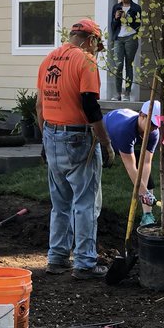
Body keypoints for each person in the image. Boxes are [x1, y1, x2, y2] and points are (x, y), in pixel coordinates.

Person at [36, 19, 115, 280]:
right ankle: (85, 263)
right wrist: (105, 142)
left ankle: (57, 259)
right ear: (91, 40)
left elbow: (39, 105)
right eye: (97, 46)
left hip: (51, 133)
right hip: (78, 138)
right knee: (85, 204)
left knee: (60, 204)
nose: (97, 52)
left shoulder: (49, 59)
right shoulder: (86, 61)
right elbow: (90, 106)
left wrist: (45, 140)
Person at [104, 100, 164, 225]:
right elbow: (130, 167)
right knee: (101, 163)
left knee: (143, 173)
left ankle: (147, 215)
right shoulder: (124, 131)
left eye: (156, 126)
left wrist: (145, 193)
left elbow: (146, 163)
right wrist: (143, 192)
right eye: (152, 124)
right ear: (141, 116)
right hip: (106, 130)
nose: (154, 128)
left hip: (127, 126)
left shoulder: (154, 133)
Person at [109, 0, 141, 101]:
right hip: (118, 38)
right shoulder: (116, 7)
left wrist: (127, 19)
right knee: (118, 65)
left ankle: (127, 93)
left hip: (131, 37)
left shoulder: (136, 8)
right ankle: (117, 93)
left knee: (128, 64)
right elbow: (113, 26)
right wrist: (116, 18)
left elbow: (138, 25)